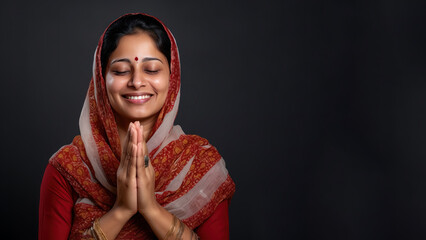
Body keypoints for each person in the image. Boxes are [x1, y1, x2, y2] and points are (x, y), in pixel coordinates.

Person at [39, 13, 235, 240]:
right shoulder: (68, 170)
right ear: (101, 80)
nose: (137, 82)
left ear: (172, 78)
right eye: (121, 71)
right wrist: (121, 211)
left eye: (151, 69)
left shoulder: (200, 167)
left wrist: (150, 208)